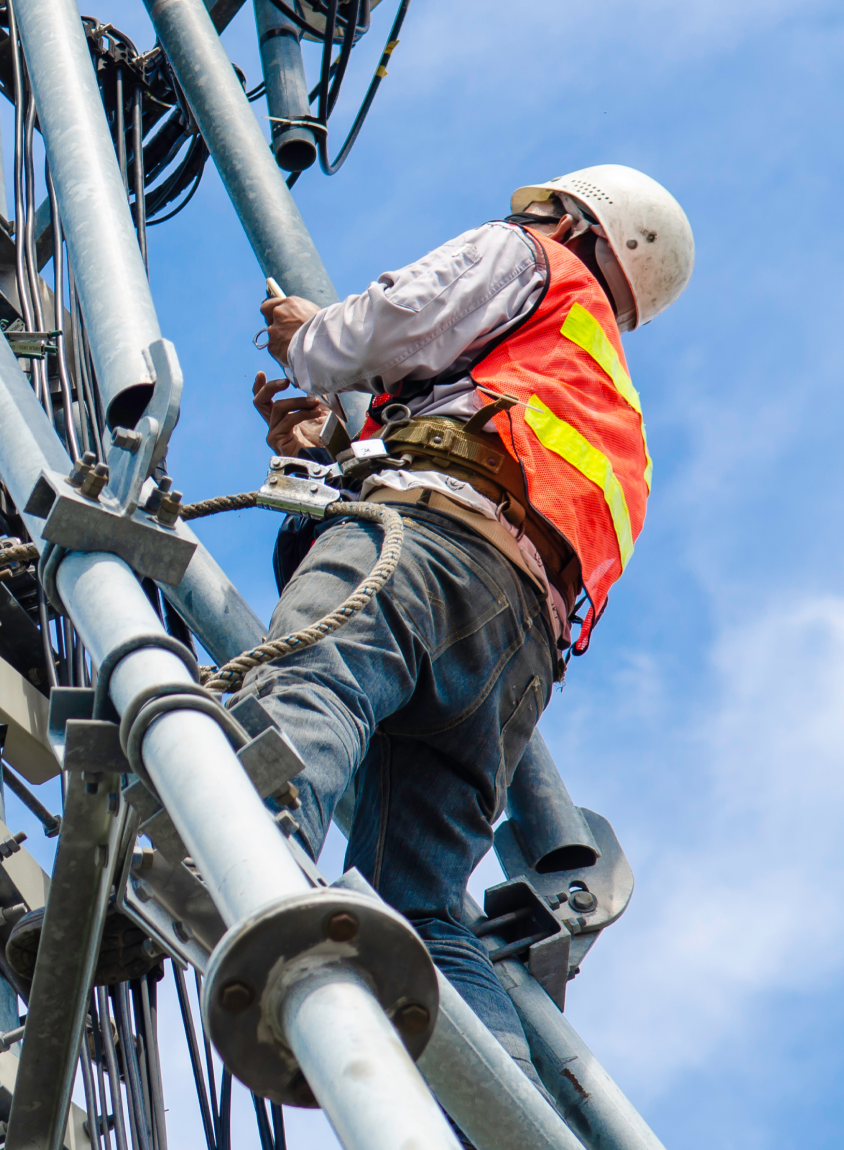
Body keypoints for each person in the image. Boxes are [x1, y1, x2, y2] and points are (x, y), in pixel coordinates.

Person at [242, 165, 694, 1094]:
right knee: (422, 908)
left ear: (576, 220)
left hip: (430, 551)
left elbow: (396, 320)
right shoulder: (607, 400)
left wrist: (309, 342)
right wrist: (330, 446)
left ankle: (242, 859)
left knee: (312, 682)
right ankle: (502, 1108)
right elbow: (491, 442)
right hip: (514, 650)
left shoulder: (536, 261)